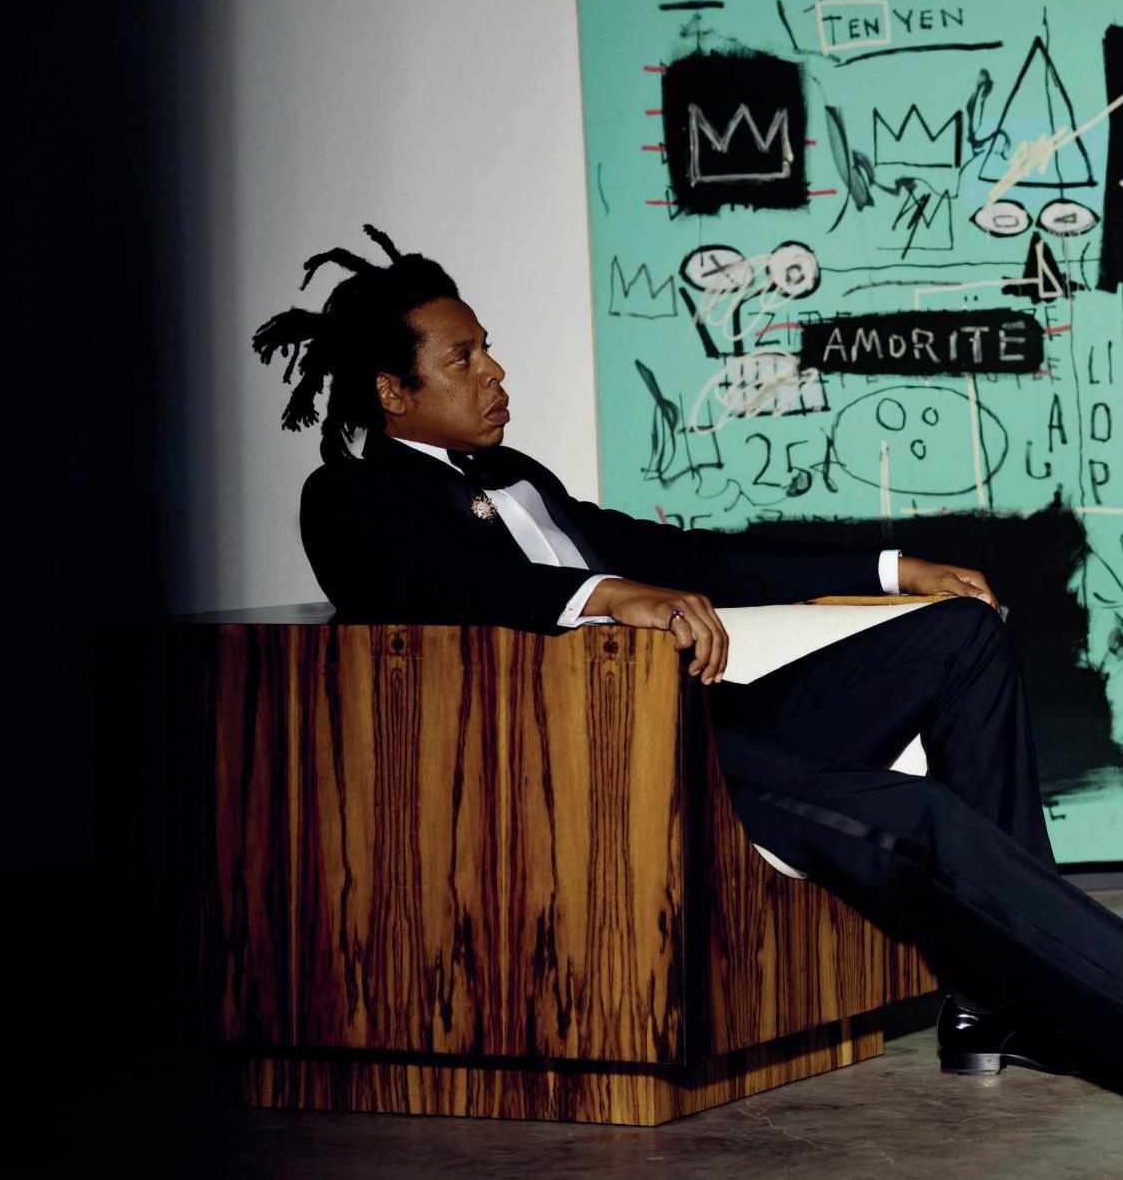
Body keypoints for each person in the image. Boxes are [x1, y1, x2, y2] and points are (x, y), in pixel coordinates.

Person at [254, 222, 1123, 1081]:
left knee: (961, 633)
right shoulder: (350, 498)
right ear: (393, 391)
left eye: (488, 348)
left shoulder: (519, 476)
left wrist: (893, 569)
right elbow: (444, 586)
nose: (495, 372)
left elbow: (691, 557)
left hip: (711, 726)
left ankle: (994, 1000)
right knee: (921, 815)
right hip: (625, 774)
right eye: (463, 358)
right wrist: (607, 596)